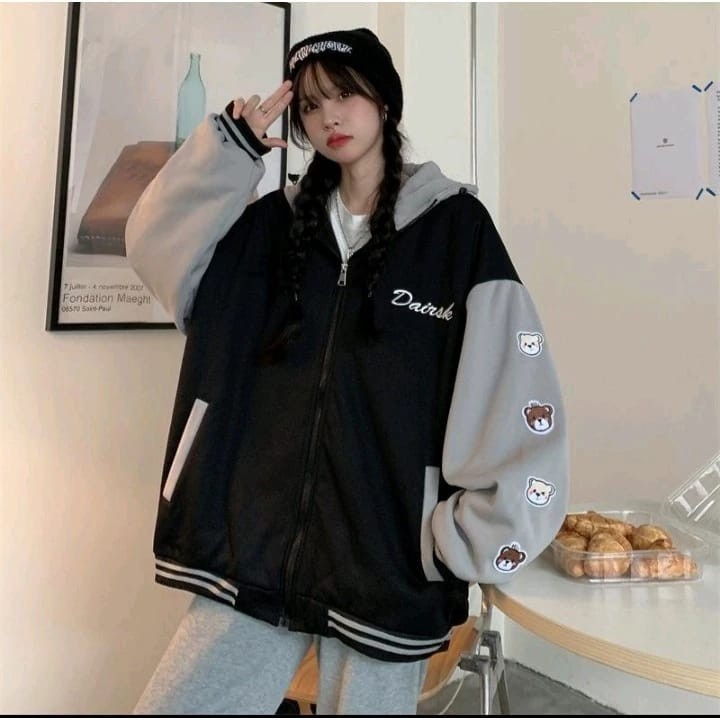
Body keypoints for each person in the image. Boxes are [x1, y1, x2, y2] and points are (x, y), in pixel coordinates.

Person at [126, 28, 569, 716]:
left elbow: (513, 386)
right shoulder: (272, 227)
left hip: (386, 565)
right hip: (252, 548)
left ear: (383, 102)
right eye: (310, 105)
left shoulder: (456, 232)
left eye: (345, 95)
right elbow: (157, 250)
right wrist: (228, 151)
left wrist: (463, 541)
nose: (328, 116)